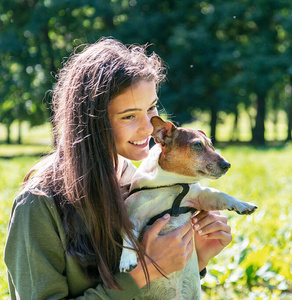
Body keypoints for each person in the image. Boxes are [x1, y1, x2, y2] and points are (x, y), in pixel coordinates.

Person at [4, 38, 232, 299]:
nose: (149, 127)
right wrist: (144, 273)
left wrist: (196, 258)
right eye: (129, 116)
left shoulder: (139, 183)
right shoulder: (39, 204)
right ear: (91, 121)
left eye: (151, 108)